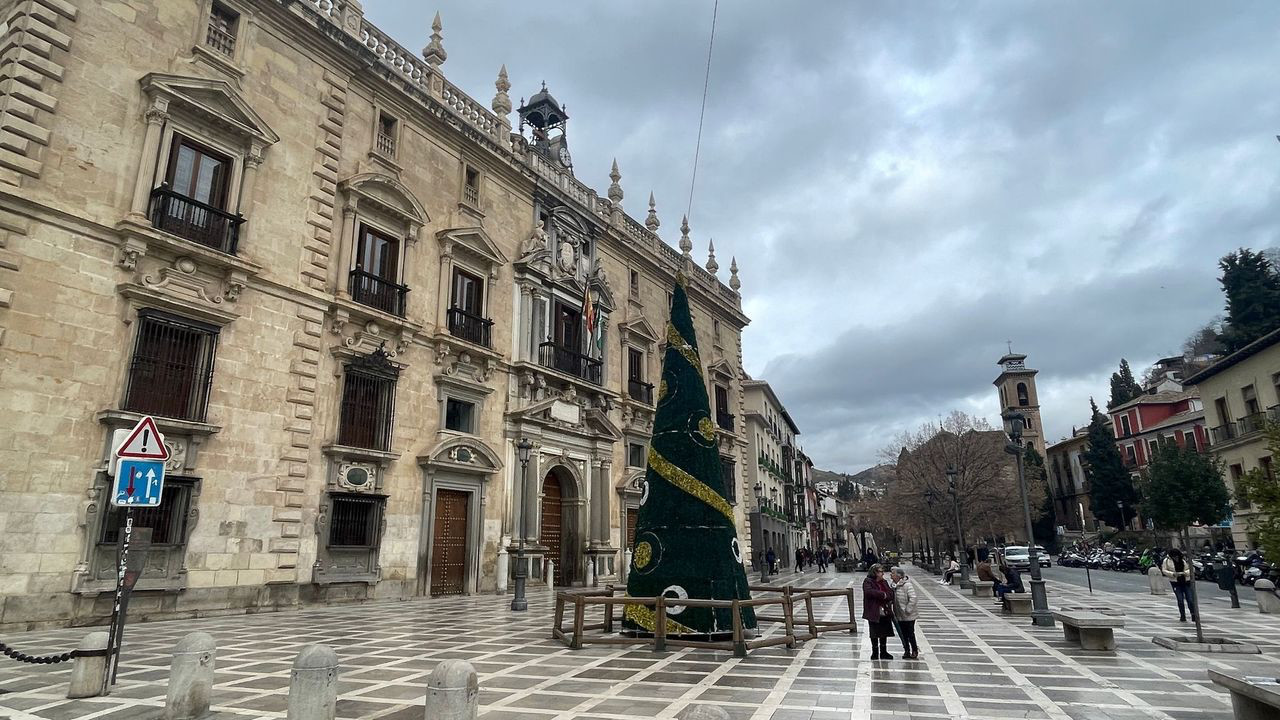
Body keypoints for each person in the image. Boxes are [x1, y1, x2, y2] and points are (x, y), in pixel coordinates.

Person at [862, 564, 896, 660]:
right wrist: (883, 595)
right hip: (873, 610)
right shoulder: (868, 582)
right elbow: (869, 592)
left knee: (884, 632)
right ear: (875, 572)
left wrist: (886, 595)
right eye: (881, 571)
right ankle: (875, 652)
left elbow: (890, 593)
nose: (883, 573)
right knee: (874, 632)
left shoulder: (884, 582)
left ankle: (884, 651)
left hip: (885, 610)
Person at [889, 567, 920, 659]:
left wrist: (908, 609)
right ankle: (906, 650)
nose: (891, 575)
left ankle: (914, 650)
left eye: (893, 573)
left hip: (908, 614)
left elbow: (913, 598)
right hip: (899, 614)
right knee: (903, 633)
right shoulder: (893, 586)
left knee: (910, 633)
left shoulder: (907, 585)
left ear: (898, 575)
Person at [1162, 548, 1198, 622]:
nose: (1176, 558)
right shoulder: (1167, 561)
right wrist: (1173, 574)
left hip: (1186, 581)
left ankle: (1193, 614)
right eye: (1174, 557)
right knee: (1180, 600)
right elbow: (1164, 570)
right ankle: (1182, 615)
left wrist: (1185, 573)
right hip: (1175, 582)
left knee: (1190, 599)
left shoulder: (1185, 559)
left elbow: (1192, 568)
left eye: (1177, 556)